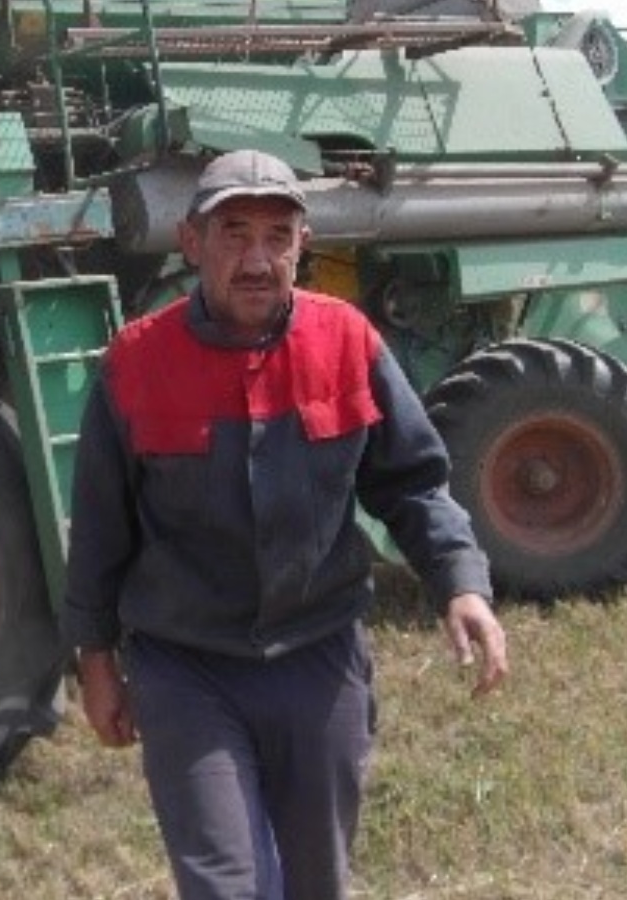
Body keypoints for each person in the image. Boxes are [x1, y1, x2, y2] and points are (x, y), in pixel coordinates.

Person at [61, 148, 510, 900]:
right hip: (187, 666)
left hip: (318, 657)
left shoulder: (348, 343)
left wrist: (460, 582)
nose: (257, 260)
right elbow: (101, 527)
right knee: (226, 886)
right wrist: (96, 657)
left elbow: (411, 483)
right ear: (191, 242)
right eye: (234, 234)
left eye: (277, 236)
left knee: (315, 881)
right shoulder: (136, 364)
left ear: (304, 244)